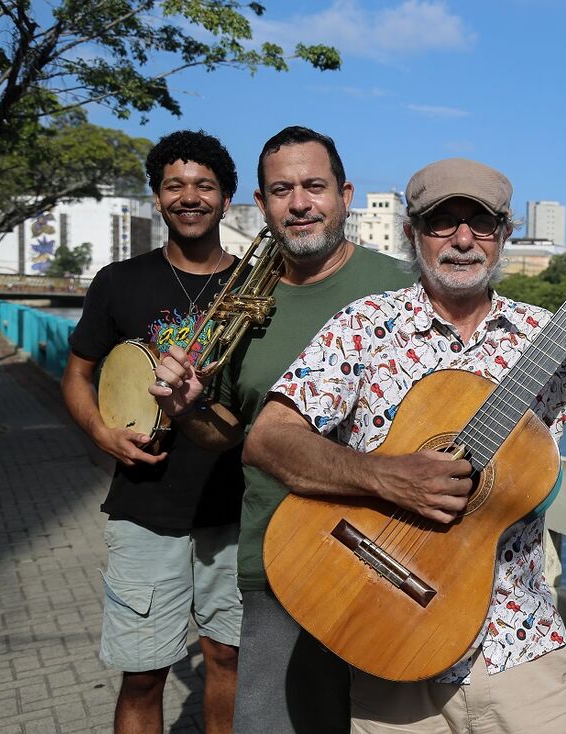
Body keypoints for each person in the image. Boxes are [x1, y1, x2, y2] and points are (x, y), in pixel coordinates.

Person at [234, 156, 566, 733]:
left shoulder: (549, 337)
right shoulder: (365, 325)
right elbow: (267, 439)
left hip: (522, 647)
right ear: (414, 234)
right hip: (391, 640)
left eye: (481, 223)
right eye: (443, 221)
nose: (463, 239)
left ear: (505, 235)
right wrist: (387, 476)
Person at [149, 126, 414, 733]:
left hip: (396, 562)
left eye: (314, 186)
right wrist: (189, 409)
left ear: (346, 195)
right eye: (281, 190)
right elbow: (227, 436)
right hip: (276, 561)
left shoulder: (405, 288)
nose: (299, 203)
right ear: (263, 205)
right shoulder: (238, 304)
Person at [61, 129, 244, 733]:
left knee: (228, 659)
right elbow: (78, 377)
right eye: (175, 185)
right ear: (157, 197)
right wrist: (100, 433)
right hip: (144, 506)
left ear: (226, 197)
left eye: (204, 185)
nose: (189, 196)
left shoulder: (255, 290)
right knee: (143, 673)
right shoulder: (118, 281)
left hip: (236, 508)